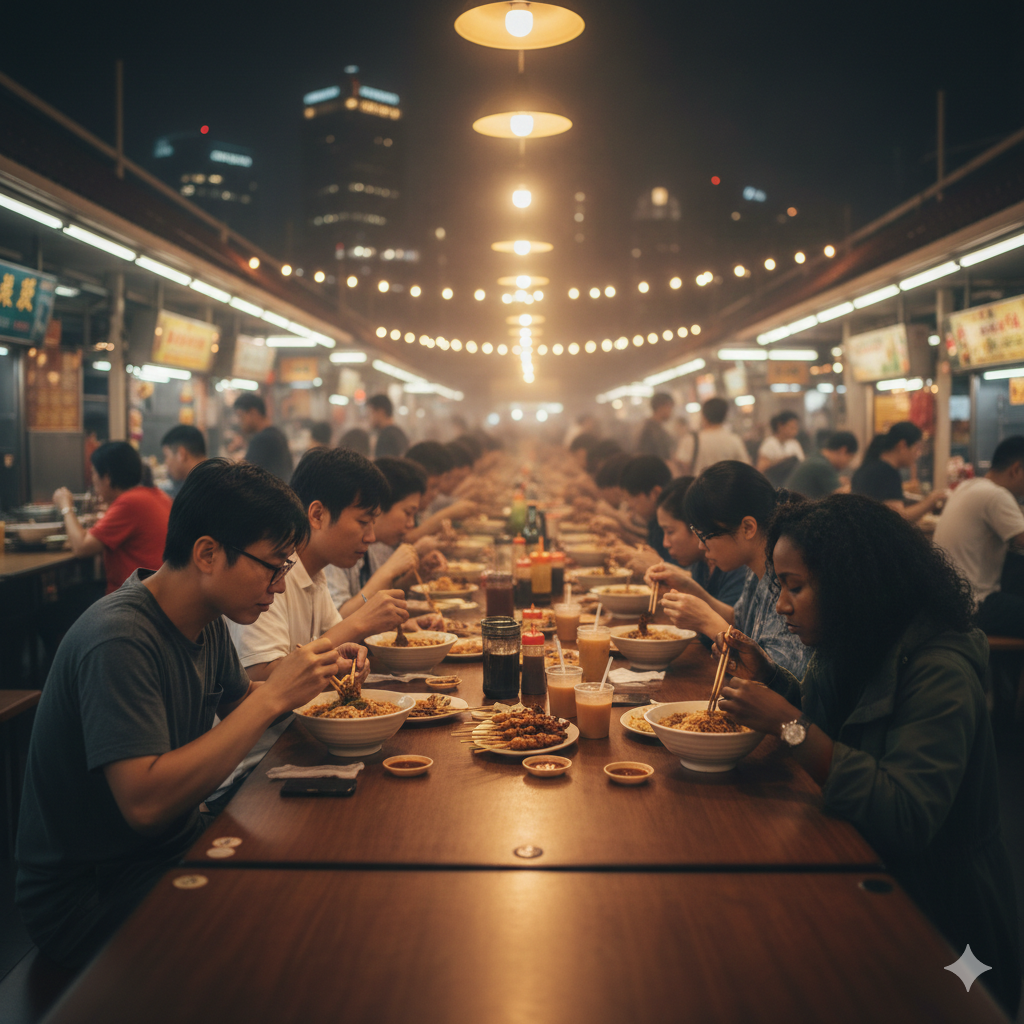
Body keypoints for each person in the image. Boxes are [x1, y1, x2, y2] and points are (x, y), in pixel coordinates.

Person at [16, 459, 349, 969]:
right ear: (208, 553)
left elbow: (241, 705)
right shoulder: (120, 638)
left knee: (328, 878)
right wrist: (272, 696)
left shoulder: (206, 618)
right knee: (299, 939)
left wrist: (321, 679)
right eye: (273, 566)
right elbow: (145, 805)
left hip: (170, 848)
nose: (279, 587)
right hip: (92, 893)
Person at [715, 494, 1020, 1016]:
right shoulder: (855, 638)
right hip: (864, 865)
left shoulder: (939, 668)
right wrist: (769, 678)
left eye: (796, 587)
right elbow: (834, 727)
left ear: (853, 582)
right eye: (780, 587)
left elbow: (905, 812)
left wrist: (788, 727)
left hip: (943, 917)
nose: (783, 605)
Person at [660, 461, 810, 678]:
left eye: (705, 536)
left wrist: (707, 622)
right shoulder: (754, 566)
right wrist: (689, 587)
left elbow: (779, 676)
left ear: (747, 528)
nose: (701, 546)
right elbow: (738, 619)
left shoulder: (785, 579)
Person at [326, 457, 449, 616]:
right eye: (407, 513)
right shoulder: (334, 552)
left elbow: (374, 600)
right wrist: (388, 571)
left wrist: (410, 578)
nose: (411, 524)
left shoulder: (375, 547)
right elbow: (340, 618)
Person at [934, 435, 1024, 638]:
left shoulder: (970, 486)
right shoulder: (997, 496)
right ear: (1016, 469)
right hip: (976, 606)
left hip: (951, 602)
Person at [53, 441, 172, 594]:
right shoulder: (157, 495)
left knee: (63, 600)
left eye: (93, 473)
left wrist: (66, 506)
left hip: (135, 601)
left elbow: (81, 548)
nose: (93, 480)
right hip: (156, 595)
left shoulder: (130, 502)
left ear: (107, 477)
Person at [644, 476, 748, 626]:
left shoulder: (736, 565)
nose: (665, 543)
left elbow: (736, 628)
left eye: (670, 531)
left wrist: (688, 587)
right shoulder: (702, 563)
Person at [851, 421, 945, 521]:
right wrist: (931, 500)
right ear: (902, 445)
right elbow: (898, 519)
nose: (917, 455)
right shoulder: (887, 473)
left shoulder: (869, 466)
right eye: (916, 448)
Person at [404, 441, 478, 542]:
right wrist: (446, 515)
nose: (435, 494)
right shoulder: (400, 505)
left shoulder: (422, 508)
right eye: (433, 487)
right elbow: (404, 540)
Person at [614, 455, 672, 570]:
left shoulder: (674, 519)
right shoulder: (654, 522)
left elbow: (680, 568)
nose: (629, 505)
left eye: (632, 498)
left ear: (655, 493)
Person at [676, 397, 750, 475]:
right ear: (725, 415)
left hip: (699, 485)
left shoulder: (690, 440)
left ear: (704, 416)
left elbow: (683, 465)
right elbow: (745, 466)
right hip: (726, 486)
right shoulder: (734, 440)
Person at [233, 393, 293, 482]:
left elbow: (244, 476)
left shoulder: (262, 439)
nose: (239, 422)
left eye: (241, 416)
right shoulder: (277, 433)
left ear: (253, 413)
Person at [785, 431, 858, 498]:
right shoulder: (821, 465)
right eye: (849, 458)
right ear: (843, 450)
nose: (847, 463)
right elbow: (840, 496)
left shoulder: (817, 457)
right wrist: (856, 485)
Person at [756, 410, 804, 480]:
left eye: (796, 428)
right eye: (792, 427)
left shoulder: (795, 444)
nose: (795, 431)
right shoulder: (769, 443)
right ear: (780, 426)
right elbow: (761, 469)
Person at [160, 425, 207, 496]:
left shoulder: (198, 493)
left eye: (166, 456)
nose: (166, 463)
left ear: (181, 454)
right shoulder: (220, 479)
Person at [636, 393, 676, 461]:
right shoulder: (652, 430)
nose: (671, 411)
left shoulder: (652, 427)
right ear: (661, 407)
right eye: (670, 407)